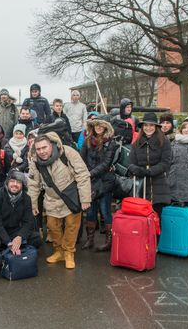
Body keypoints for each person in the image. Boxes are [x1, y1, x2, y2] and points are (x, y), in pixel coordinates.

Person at [28, 133, 91, 269]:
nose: (42, 151)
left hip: (70, 197)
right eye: (38, 149)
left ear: (51, 145)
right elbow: (33, 183)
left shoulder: (67, 153)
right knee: (52, 226)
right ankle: (59, 251)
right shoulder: (35, 161)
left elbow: (83, 174)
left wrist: (85, 198)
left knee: (72, 226)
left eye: (44, 147)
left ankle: (68, 252)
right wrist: (33, 203)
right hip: (51, 198)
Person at [0, 171, 42, 273]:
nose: (15, 185)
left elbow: (28, 222)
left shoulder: (26, 198)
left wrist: (20, 237)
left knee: (37, 238)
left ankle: (16, 256)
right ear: (7, 183)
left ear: (23, 185)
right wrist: (8, 242)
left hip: (14, 230)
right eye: (12, 181)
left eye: (19, 182)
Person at [79, 119, 118, 251]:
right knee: (90, 212)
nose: (99, 127)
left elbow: (106, 164)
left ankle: (109, 241)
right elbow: (81, 158)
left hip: (104, 181)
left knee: (105, 211)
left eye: (101, 125)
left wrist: (89, 173)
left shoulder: (111, 143)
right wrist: (84, 173)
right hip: (90, 181)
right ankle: (90, 240)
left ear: (106, 127)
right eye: (96, 125)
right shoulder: (87, 141)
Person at [127, 112, 172, 217]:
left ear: (156, 127)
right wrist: (137, 170)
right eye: (146, 125)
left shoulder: (164, 141)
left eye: (151, 125)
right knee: (142, 221)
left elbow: (165, 163)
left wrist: (149, 172)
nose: (148, 128)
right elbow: (130, 163)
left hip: (159, 186)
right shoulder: (136, 143)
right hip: (141, 187)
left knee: (156, 220)